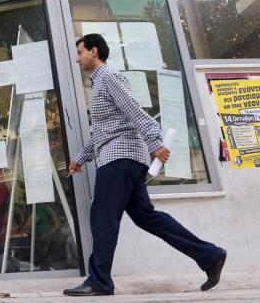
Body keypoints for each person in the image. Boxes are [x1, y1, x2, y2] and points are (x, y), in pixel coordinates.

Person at [63, 34, 226, 297]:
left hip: (120, 158)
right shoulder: (99, 82)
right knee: (147, 217)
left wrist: (155, 142)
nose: (77, 58)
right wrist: (80, 158)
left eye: (80, 52)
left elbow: (134, 111)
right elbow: (103, 130)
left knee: (103, 217)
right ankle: (210, 255)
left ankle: (99, 282)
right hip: (126, 158)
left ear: (94, 51)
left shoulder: (109, 77)